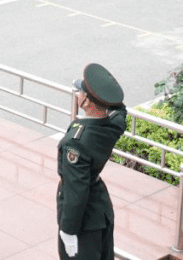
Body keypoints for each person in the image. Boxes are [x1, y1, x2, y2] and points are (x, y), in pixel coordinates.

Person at [57, 63, 128, 259]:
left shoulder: (76, 143)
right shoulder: (113, 125)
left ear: (87, 102)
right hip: (101, 210)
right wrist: (108, 91)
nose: (77, 94)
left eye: (80, 92)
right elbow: (120, 110)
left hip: (84, 222)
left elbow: (76, 190)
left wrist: (69, 230)